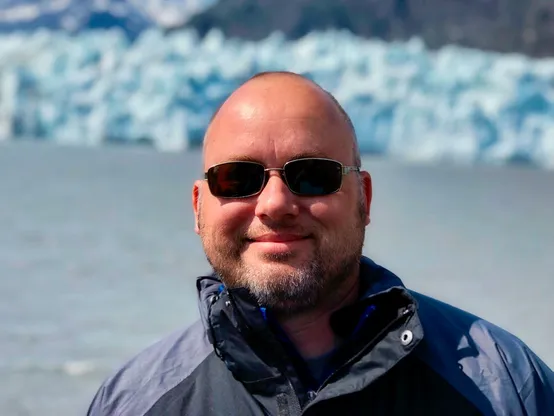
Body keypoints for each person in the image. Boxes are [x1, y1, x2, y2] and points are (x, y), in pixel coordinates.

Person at [87, 71, 554, 416]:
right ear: (198, 206)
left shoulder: (504, 388)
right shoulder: (135, 403)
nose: (273, 203)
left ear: (364, 198)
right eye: (237, 178)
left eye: (312, 175)